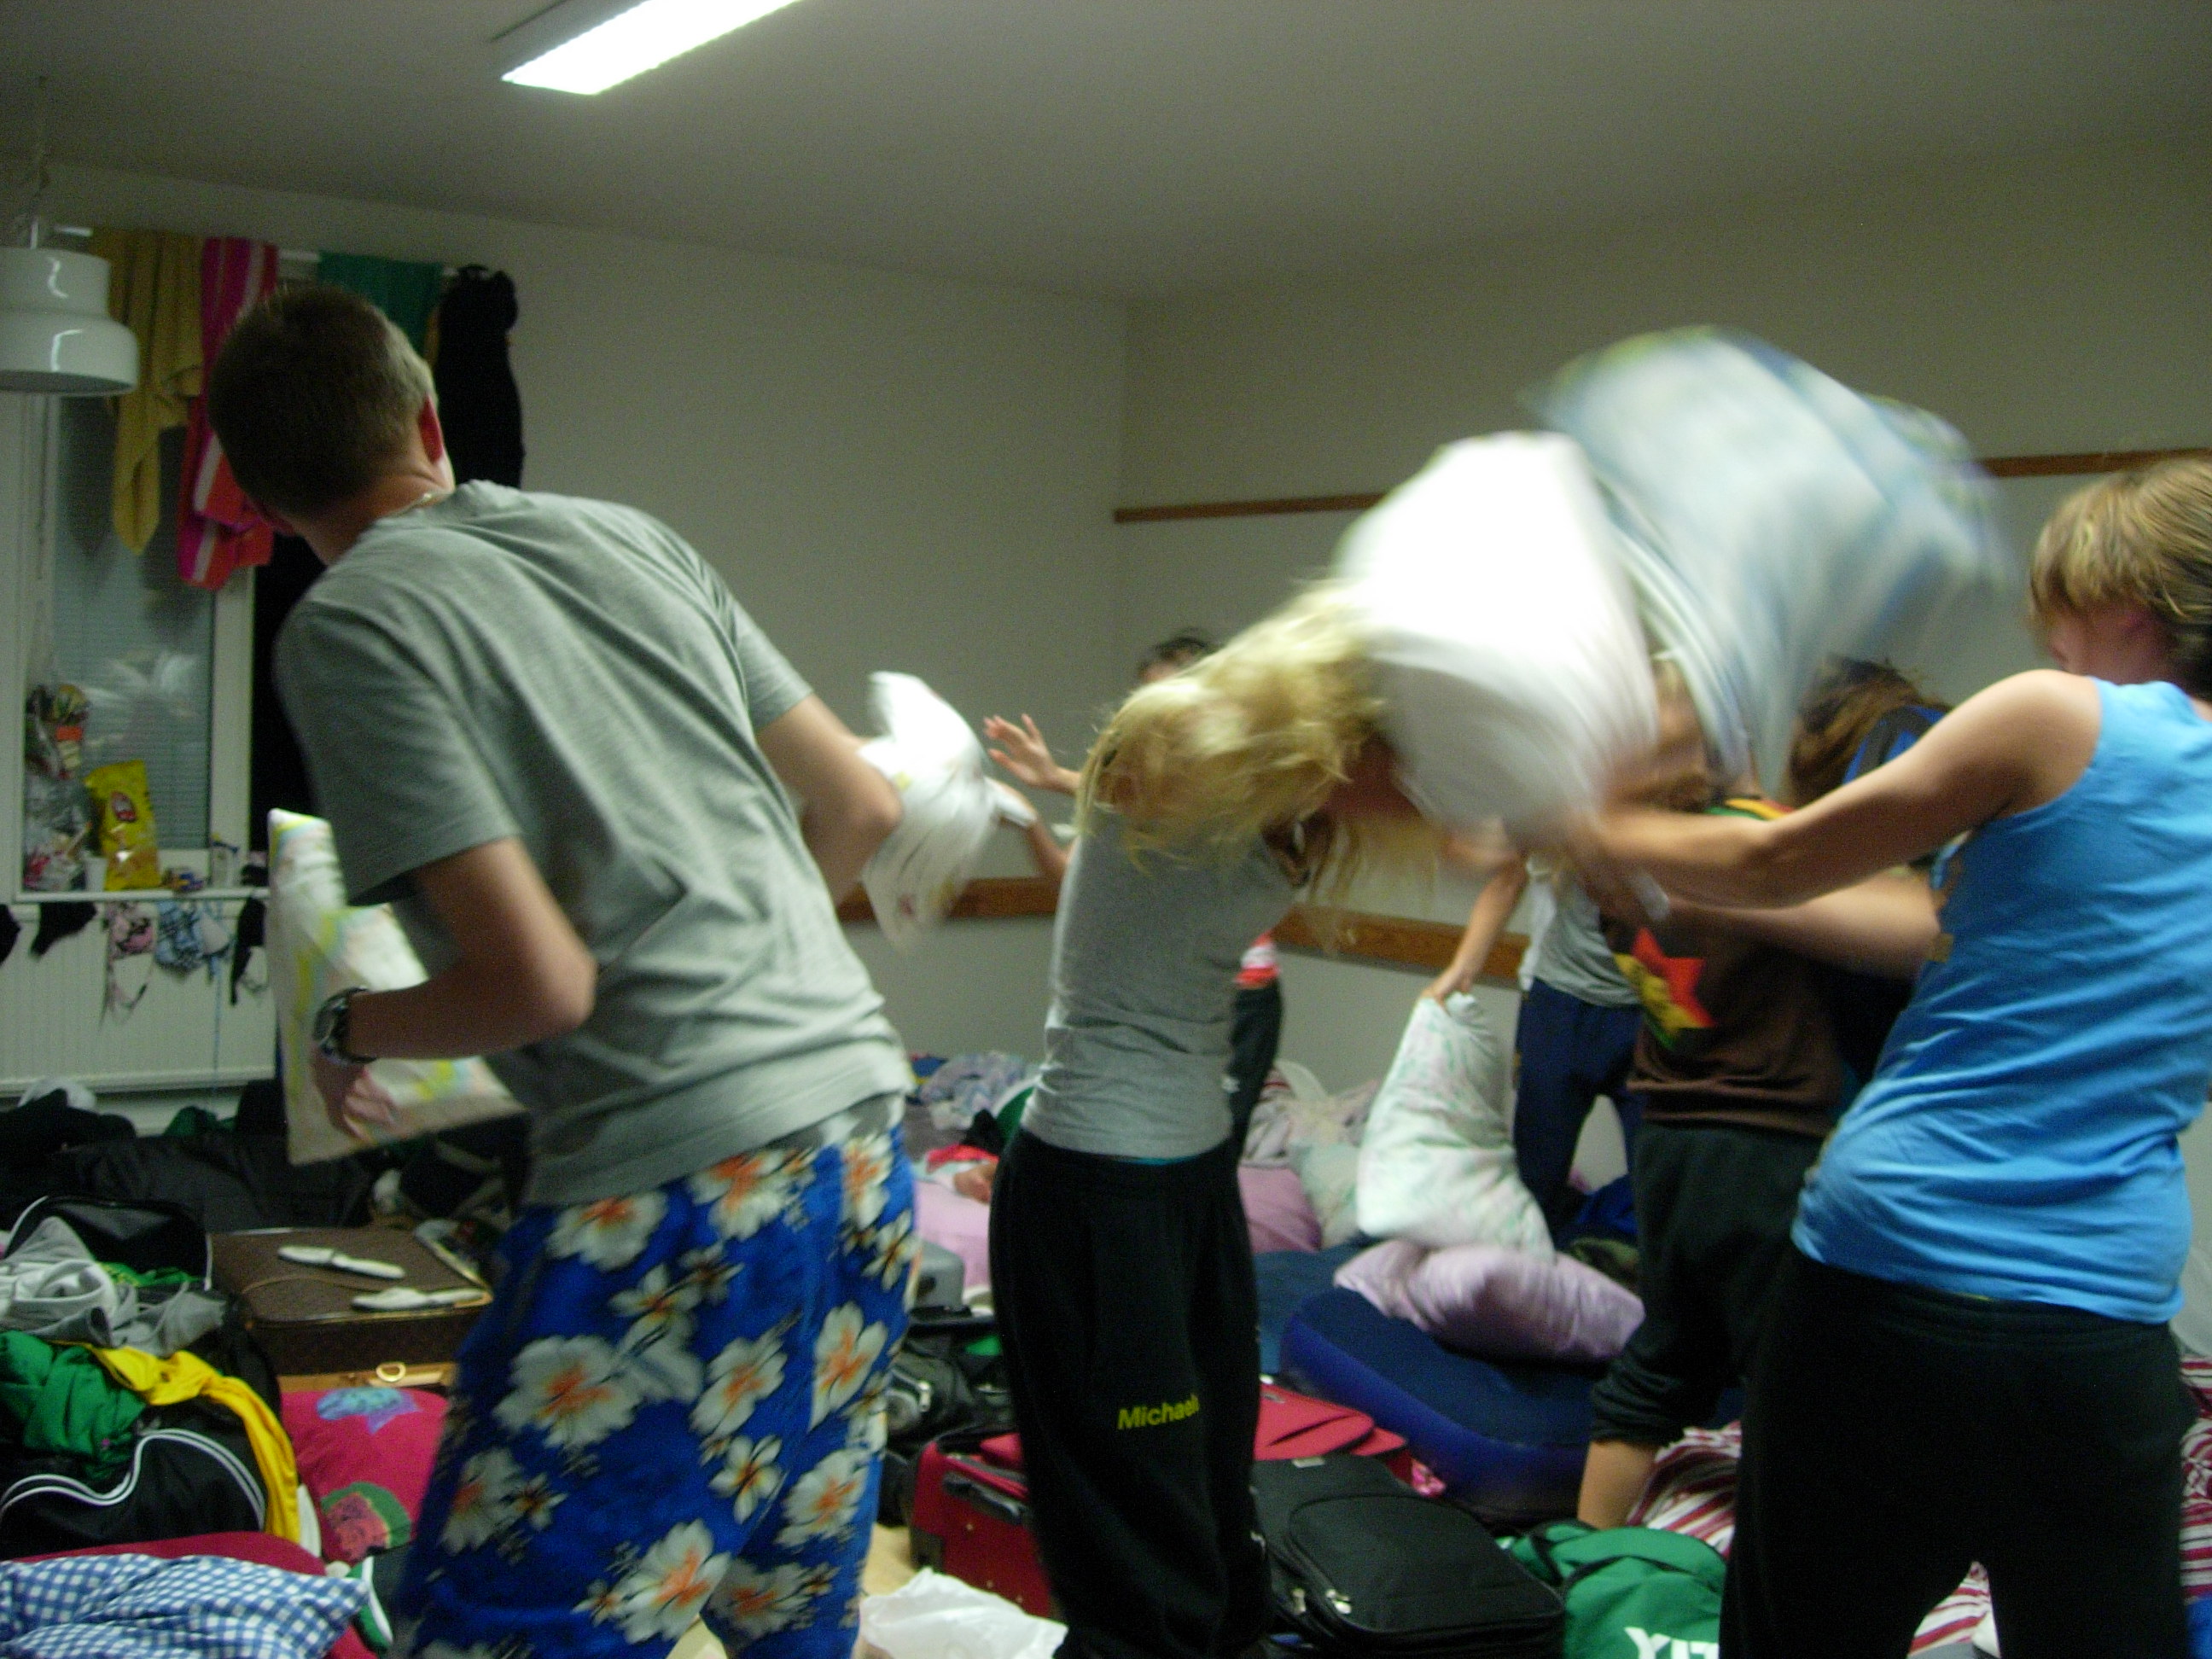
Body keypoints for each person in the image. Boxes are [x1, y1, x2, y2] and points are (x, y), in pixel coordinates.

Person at [207, 284, 917, 1659]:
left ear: (258, 498)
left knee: (498, 1629)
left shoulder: (352, 623)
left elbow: (538, 985)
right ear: (428, 420)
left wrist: (347, 1025)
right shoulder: (632, 538)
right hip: (862, 1143)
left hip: (679, 1192)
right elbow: (859, 808)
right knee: (783, 1616)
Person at [1579, 457, 2212, 1657]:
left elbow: (1777, 863)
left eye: (2065, 612)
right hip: (2103, 1312)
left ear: (2132, 605)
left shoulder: (2057, 716)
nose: (2052, 640)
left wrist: (1583, 821)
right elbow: (1936, 928)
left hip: (1892, 1265)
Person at [988, 594, 1435, 1659]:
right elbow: (1173, 742)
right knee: (1139, 1543)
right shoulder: (1163, 745)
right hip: (1097, 1183)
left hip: (1189, 1184)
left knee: (1215, 1494)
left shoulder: (1294, 810)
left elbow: (1473, 822)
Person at [1572, 671, 1944, 1529]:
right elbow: (1918, 926)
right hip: (1768, 1147)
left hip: (1670, 1139)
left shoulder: (1619, 859)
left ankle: (1583, 1555)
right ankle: (1785, 1582)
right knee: (1801, 1389)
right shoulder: (1755, 846)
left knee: (1662, 1363)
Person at [986, 630, 1287, 1156]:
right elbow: (1073, 882)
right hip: (1145, 1014)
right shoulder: (1120, 798)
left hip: (1240, 997)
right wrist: (1029, 821)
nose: (1153, 722)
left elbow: (1186, 804)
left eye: (1171, 703)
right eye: (1144, 702)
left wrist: (1059, 777)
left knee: (1209, 1145)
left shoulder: (1240, 789)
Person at [1426, 854, 1644, 1236]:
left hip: (1648, 1011)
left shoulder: (1680, 822)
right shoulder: (1563, 821)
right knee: (1536, 1181)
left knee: (1657, 1191)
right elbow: (1508, 874)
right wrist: (1462, 970)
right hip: (1559, 1007)